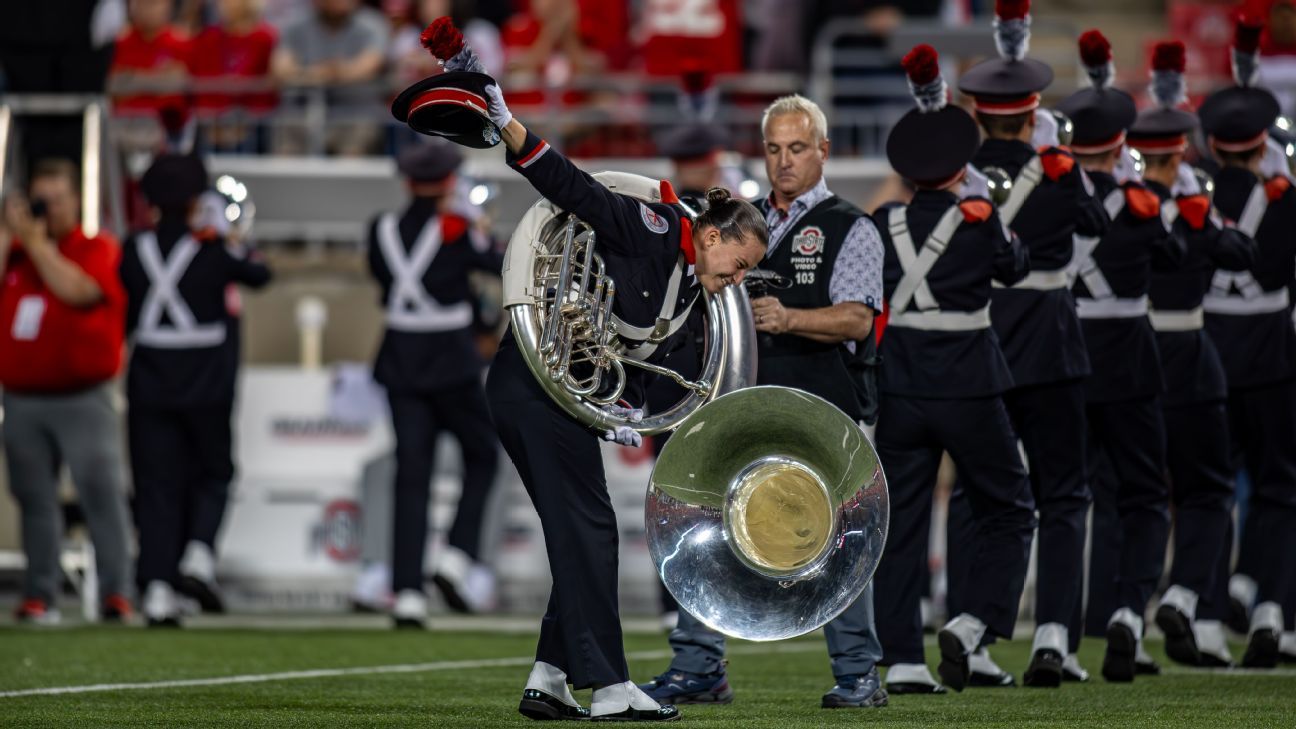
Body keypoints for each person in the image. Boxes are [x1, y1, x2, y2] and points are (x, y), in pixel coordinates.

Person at [398, 18, 766, 721]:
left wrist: (628, 412)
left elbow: (660, 372)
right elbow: (578, 191)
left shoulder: (697, 291)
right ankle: (611, 687)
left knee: (581, 534)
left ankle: (549, 678)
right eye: (739, 263)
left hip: (557, 399)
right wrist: (511, 129)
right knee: (589, 531)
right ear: (712, 235)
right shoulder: (657, 228)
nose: (738, 280)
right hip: (533, 385)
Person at [639, 94, 886, 710]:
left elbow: (859, 320)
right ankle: (698, 665)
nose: (784, 161)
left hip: (820, 408)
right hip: (741, 403)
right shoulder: (738, 221)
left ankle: (859, 673)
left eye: (797, 148)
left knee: (837, 539)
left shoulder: (851, 225)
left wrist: (790, 317)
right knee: (708, 525)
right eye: (774, 149)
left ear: (823, 151)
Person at [948, 0, 1108, 688]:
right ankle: (1054, 637)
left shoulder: (957, 171)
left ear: (978, 112)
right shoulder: (1059, 166)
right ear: (1033, 108)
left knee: (976, 495)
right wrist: (1056, 160)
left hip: (983, 336)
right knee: (1064, 492)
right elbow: (1097, 224)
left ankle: (971, 631)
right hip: (1049, 336)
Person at [870, 43, 1035, 696]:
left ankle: (903, 659)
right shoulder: (980, 219)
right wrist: (985, 209)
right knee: (1010, 508)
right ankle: (972, 624)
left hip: (902, 388)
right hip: (970, 385)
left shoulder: (884, 221)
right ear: (961, 164)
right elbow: (1015, 267)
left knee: (902, 523)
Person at [1055, 39, 1187, 683]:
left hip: (1069, 356)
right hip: (1131, 361)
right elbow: (1175, 257)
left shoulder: (1053, 199)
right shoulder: (1142, 204)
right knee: (1143, 497)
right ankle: (1129, 612)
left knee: (1071, 498)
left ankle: (1064, 628)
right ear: (1118, 145)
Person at [1129, 41, 1259, 669]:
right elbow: (1242, 256)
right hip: (1187, 352)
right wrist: (1203, 218)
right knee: (1208, 489)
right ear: (1180, 150)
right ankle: (1184, 595)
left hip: (1129, 354)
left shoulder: (1119, 204)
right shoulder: (1193, 207)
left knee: (1137, 494)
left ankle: (1124, 615)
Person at [118, 152, 272, 625]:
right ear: (194, 201)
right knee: (214, 472)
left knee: (155, 485)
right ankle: (198, 555)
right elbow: (261, 274)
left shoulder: (132, 248)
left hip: (149, 379)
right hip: (206, 379)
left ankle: (157, 586)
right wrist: (230, 238)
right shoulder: (213, 249)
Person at [366, 140, 503, 626]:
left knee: (412, 474)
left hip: (400, 360)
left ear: (408, 184)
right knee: (482, 456)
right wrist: (477, 229)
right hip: (451, 361)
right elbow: (496, 266)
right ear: (448, 183)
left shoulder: (380, 229)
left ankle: (407, 591)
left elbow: (383, 283)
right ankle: (456, 557)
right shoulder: (459, 231)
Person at [1199, 17, 1296, 669]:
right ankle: (1270, 608)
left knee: (1209, 492)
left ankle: (1210, 611)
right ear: (1263, 141)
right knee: (1280, 487)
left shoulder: (1193, 195)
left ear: (1213, 142)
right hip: (1273, 358)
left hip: (1208, 356)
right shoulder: (1286, 198)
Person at [0, 159, 135, 625]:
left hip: (83, 396)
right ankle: (40, 593)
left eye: (57, 200)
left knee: (100, 491)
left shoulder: (96, 248)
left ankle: (117, 592)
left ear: (76, 200)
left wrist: (38, 244)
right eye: (41, 201)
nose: (49, 210)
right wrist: (9, 232)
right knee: (33, 497)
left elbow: (78, 291)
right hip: (22, 397)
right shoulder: (16, 253)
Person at [270, 0, 389, 155]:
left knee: (354, 154)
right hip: (301, 112)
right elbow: (281, 69)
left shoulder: (372, 24)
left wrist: (307, 74)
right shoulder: (295, 25)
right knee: (285, 150)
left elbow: (368, 66)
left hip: (355, 113)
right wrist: (327, 73)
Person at [188, 0, 280, 152]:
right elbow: (202, 84)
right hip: (211, 128)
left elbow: (266, 91)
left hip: (252, 128)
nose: (225, 4)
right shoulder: (207, 38)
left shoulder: (265, 38)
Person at [110, 0, 192, 117]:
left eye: (153, 2)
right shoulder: (118, 45)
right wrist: (161, 79)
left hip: (168, 123)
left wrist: (132, 78)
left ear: (168, 5)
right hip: (124, 122)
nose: (148, 9)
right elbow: (113, 89)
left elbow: (181, 83)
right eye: (142, 2)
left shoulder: (183, 44)